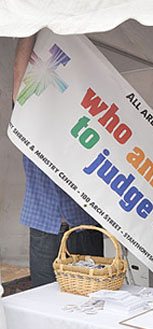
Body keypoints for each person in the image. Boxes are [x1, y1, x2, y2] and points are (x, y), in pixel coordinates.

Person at [13, 35, 104, 288]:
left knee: (91, 292)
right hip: (45, 225)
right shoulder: (28, 122)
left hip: (83, 225)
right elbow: (19, 74)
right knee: (44, 294)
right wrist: (28, 29)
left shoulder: (84, 126)